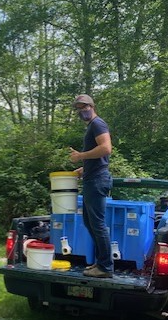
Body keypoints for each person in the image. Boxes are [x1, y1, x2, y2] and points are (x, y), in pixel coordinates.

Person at [69, 94, 113, 278]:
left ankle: (105, 267)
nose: (82, 110)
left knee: (98, 224)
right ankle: (100, 263)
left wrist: (81, 156)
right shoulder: (91, 127)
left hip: (97, 181)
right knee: (90, 222)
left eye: (84, 106)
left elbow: (106, 149)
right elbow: (99, 157)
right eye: (78, 108)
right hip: (91, 178)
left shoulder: (97, 124)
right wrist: (84, 168)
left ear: (92, 106)